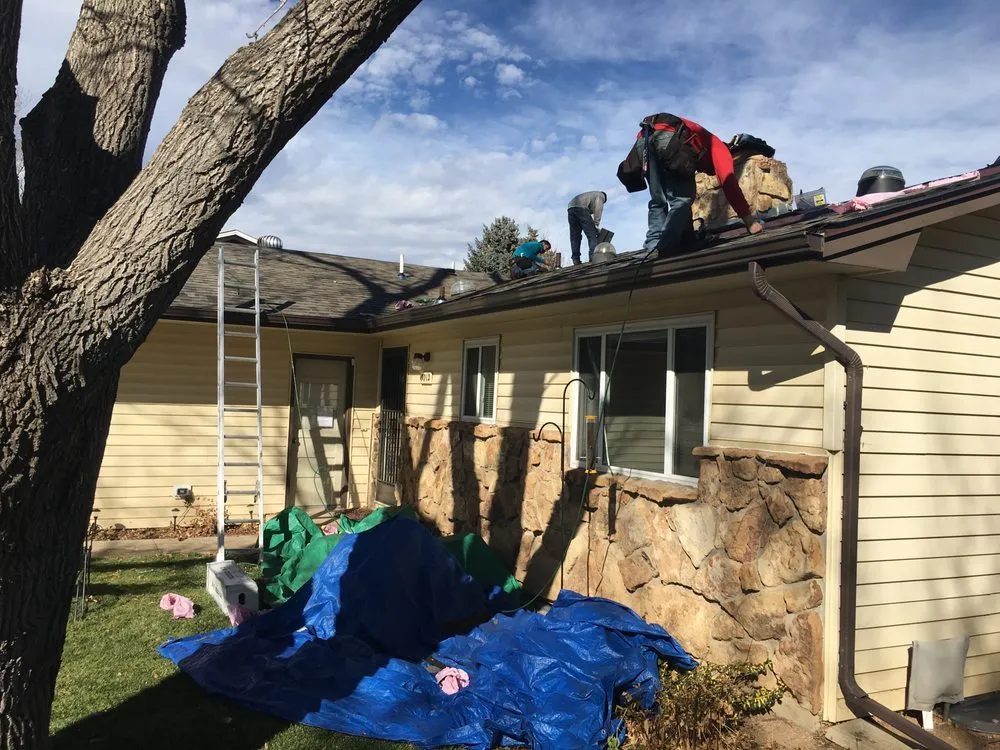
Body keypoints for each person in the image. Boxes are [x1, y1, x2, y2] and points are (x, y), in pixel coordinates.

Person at [621, 113, 763, 257]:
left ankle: (652, 246)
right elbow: (729, 184)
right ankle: (666, 246)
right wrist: (750, 222)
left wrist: (689, 239)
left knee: (659, 200)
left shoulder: (701, 142)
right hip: (667, 137)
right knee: (681, 200)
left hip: (643, 139)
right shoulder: (721, 149)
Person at [566, 191, 607, 264]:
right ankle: (593, 256)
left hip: (571, 208)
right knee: (592, 235)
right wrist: (596, 225)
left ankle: (576, 259)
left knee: (575, 236)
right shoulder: (601, 196)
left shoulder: (591, 195)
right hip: (581, 207)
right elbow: (598, 209)